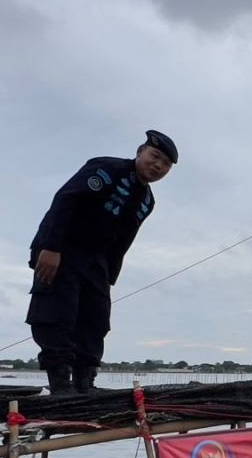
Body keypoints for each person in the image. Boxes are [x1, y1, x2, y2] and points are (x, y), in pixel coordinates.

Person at [27, 130, 177, 394]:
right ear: (140, 151)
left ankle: (85, 382)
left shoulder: (147, 200)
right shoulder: (107, 168)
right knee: (57, 314)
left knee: (96, 320)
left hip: (97, 262)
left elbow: (124, 240)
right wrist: (50, 248)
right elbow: (65, 199)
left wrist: (109, 278)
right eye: (155, 157)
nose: (158, 166)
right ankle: (60, 384)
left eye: (165, 164)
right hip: (64, 247)